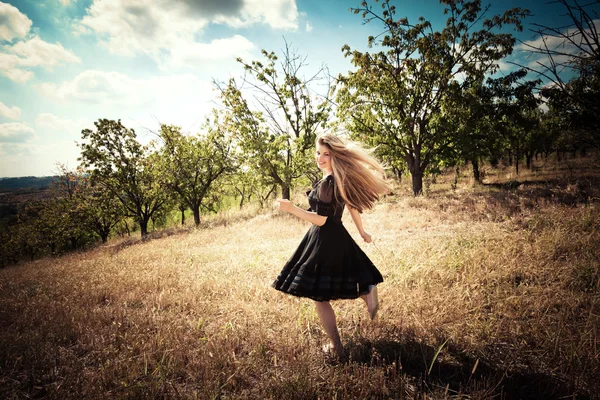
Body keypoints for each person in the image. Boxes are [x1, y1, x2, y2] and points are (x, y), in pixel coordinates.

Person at [273, 133, 390, 360]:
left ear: (335, 155)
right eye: (318, 153)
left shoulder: (329, 183)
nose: (320, 157)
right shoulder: (336, 179)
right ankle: (368, 294)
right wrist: (361, 232)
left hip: (324, 238)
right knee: (337, 282)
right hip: (337, 237)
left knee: (320, 296)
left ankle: (338, 349)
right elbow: (352, 207)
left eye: (326, 154)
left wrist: (292, 209)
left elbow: (321, 220)